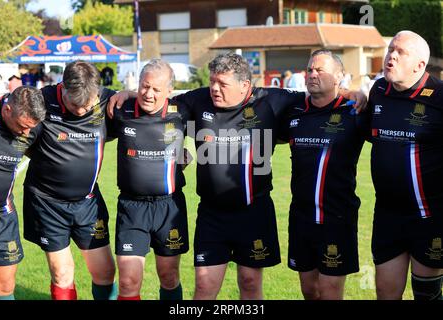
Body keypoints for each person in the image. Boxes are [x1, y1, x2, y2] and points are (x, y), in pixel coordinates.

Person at [108, 52, 367, 300]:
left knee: (250, 282)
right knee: (205, 285)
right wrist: (130, 93)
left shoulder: (273, 101)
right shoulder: (197, 101)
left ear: (245, 85)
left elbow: (318, 95)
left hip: (254, 211)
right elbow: (159, 101)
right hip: (211, 214)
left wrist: (348, 91)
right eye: (211, 82)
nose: (214, 88)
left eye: (222, 83)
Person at [22, 61, 119, 300]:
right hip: (47, 203)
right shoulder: (41, 100)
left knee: (105, 271)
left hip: (87, 204)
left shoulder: (108, 100)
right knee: (62, 273)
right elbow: (16, 126)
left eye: (88, 105)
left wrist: (130, 93)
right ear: (62, 88)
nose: (81, 111)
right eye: (75, 104)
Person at [279, 50, 369, 300]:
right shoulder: (293, 109)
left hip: (337, 218)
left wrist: (356, 94)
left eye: (320, 70)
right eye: (309, 70)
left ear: (339, 77)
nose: (312, 74)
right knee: (309, 290)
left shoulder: (356, 111)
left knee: (330, 292)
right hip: (301, 218)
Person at [368, 30, 442, 300]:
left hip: (429, 216)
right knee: (385, 293)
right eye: (390, 50)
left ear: (420, 65)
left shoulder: (439, 97)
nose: (391, 56)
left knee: (427, 295)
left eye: (401, 52)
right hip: (387, 216)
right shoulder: (377, 91)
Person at [108, 59, 189, 300]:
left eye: (156, 89)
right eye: (144, 86)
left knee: (169, 276)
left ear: (169, 92)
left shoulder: (183, 111)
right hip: (132, 208)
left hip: (169, 207)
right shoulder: (121, 109)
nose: (148, 94)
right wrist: (126, 92)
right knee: (128, 281)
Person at [0, 86, 46, 299]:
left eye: (31, 129)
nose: (26, 133)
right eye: (22, 127)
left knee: (4, 287)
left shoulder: (33, 129)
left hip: (1, 216)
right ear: (7, 111)